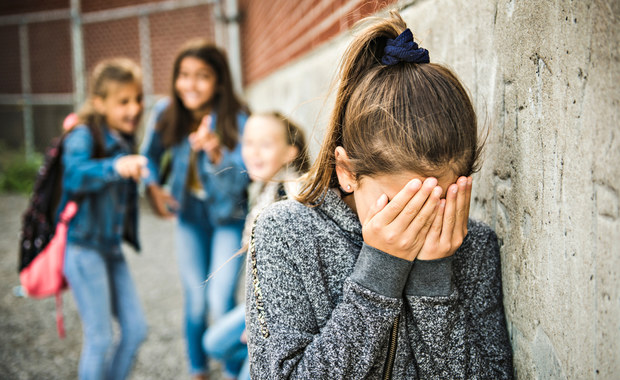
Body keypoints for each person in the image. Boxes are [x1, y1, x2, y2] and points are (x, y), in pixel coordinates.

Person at [245, 12, 514, 379]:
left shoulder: (473, 245)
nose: (416, 222)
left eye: (435, 201)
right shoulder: (285, 233)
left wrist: (434, 281)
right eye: (401, 204)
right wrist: (379, 274)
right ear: (347, 172)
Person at [140, 39, 249, 379]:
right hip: (190, 218)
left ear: (219, 81)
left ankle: (235, 369)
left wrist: (216, 153)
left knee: (220, 299)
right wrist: (153, 189)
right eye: (184, 75)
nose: (191, 84)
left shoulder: (238, 118)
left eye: (202, 76)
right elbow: (149, 158)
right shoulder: (165, 113)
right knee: (197, 300)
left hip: (229, 218)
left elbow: (241, 183)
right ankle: (197, 368)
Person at [203, 112, 310, 380]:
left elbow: (295, 275)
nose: (254, 152)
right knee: (213, 343)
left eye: (266, 144)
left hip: (284, 313)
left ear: (290, 153)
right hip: (261, 304)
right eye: (248, 143)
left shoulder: (291, 196)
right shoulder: (262, 190)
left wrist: (259, 327)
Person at [61, 58, 148, 380]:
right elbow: (73, 176)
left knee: (136, 330)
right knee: (99, 338)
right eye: (123, 101)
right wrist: (115, 167)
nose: (134, 108)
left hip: (110, 249)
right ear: (99, 103)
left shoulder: (124, 139)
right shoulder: (83, 135)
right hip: (83, 249)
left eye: (137, 99)